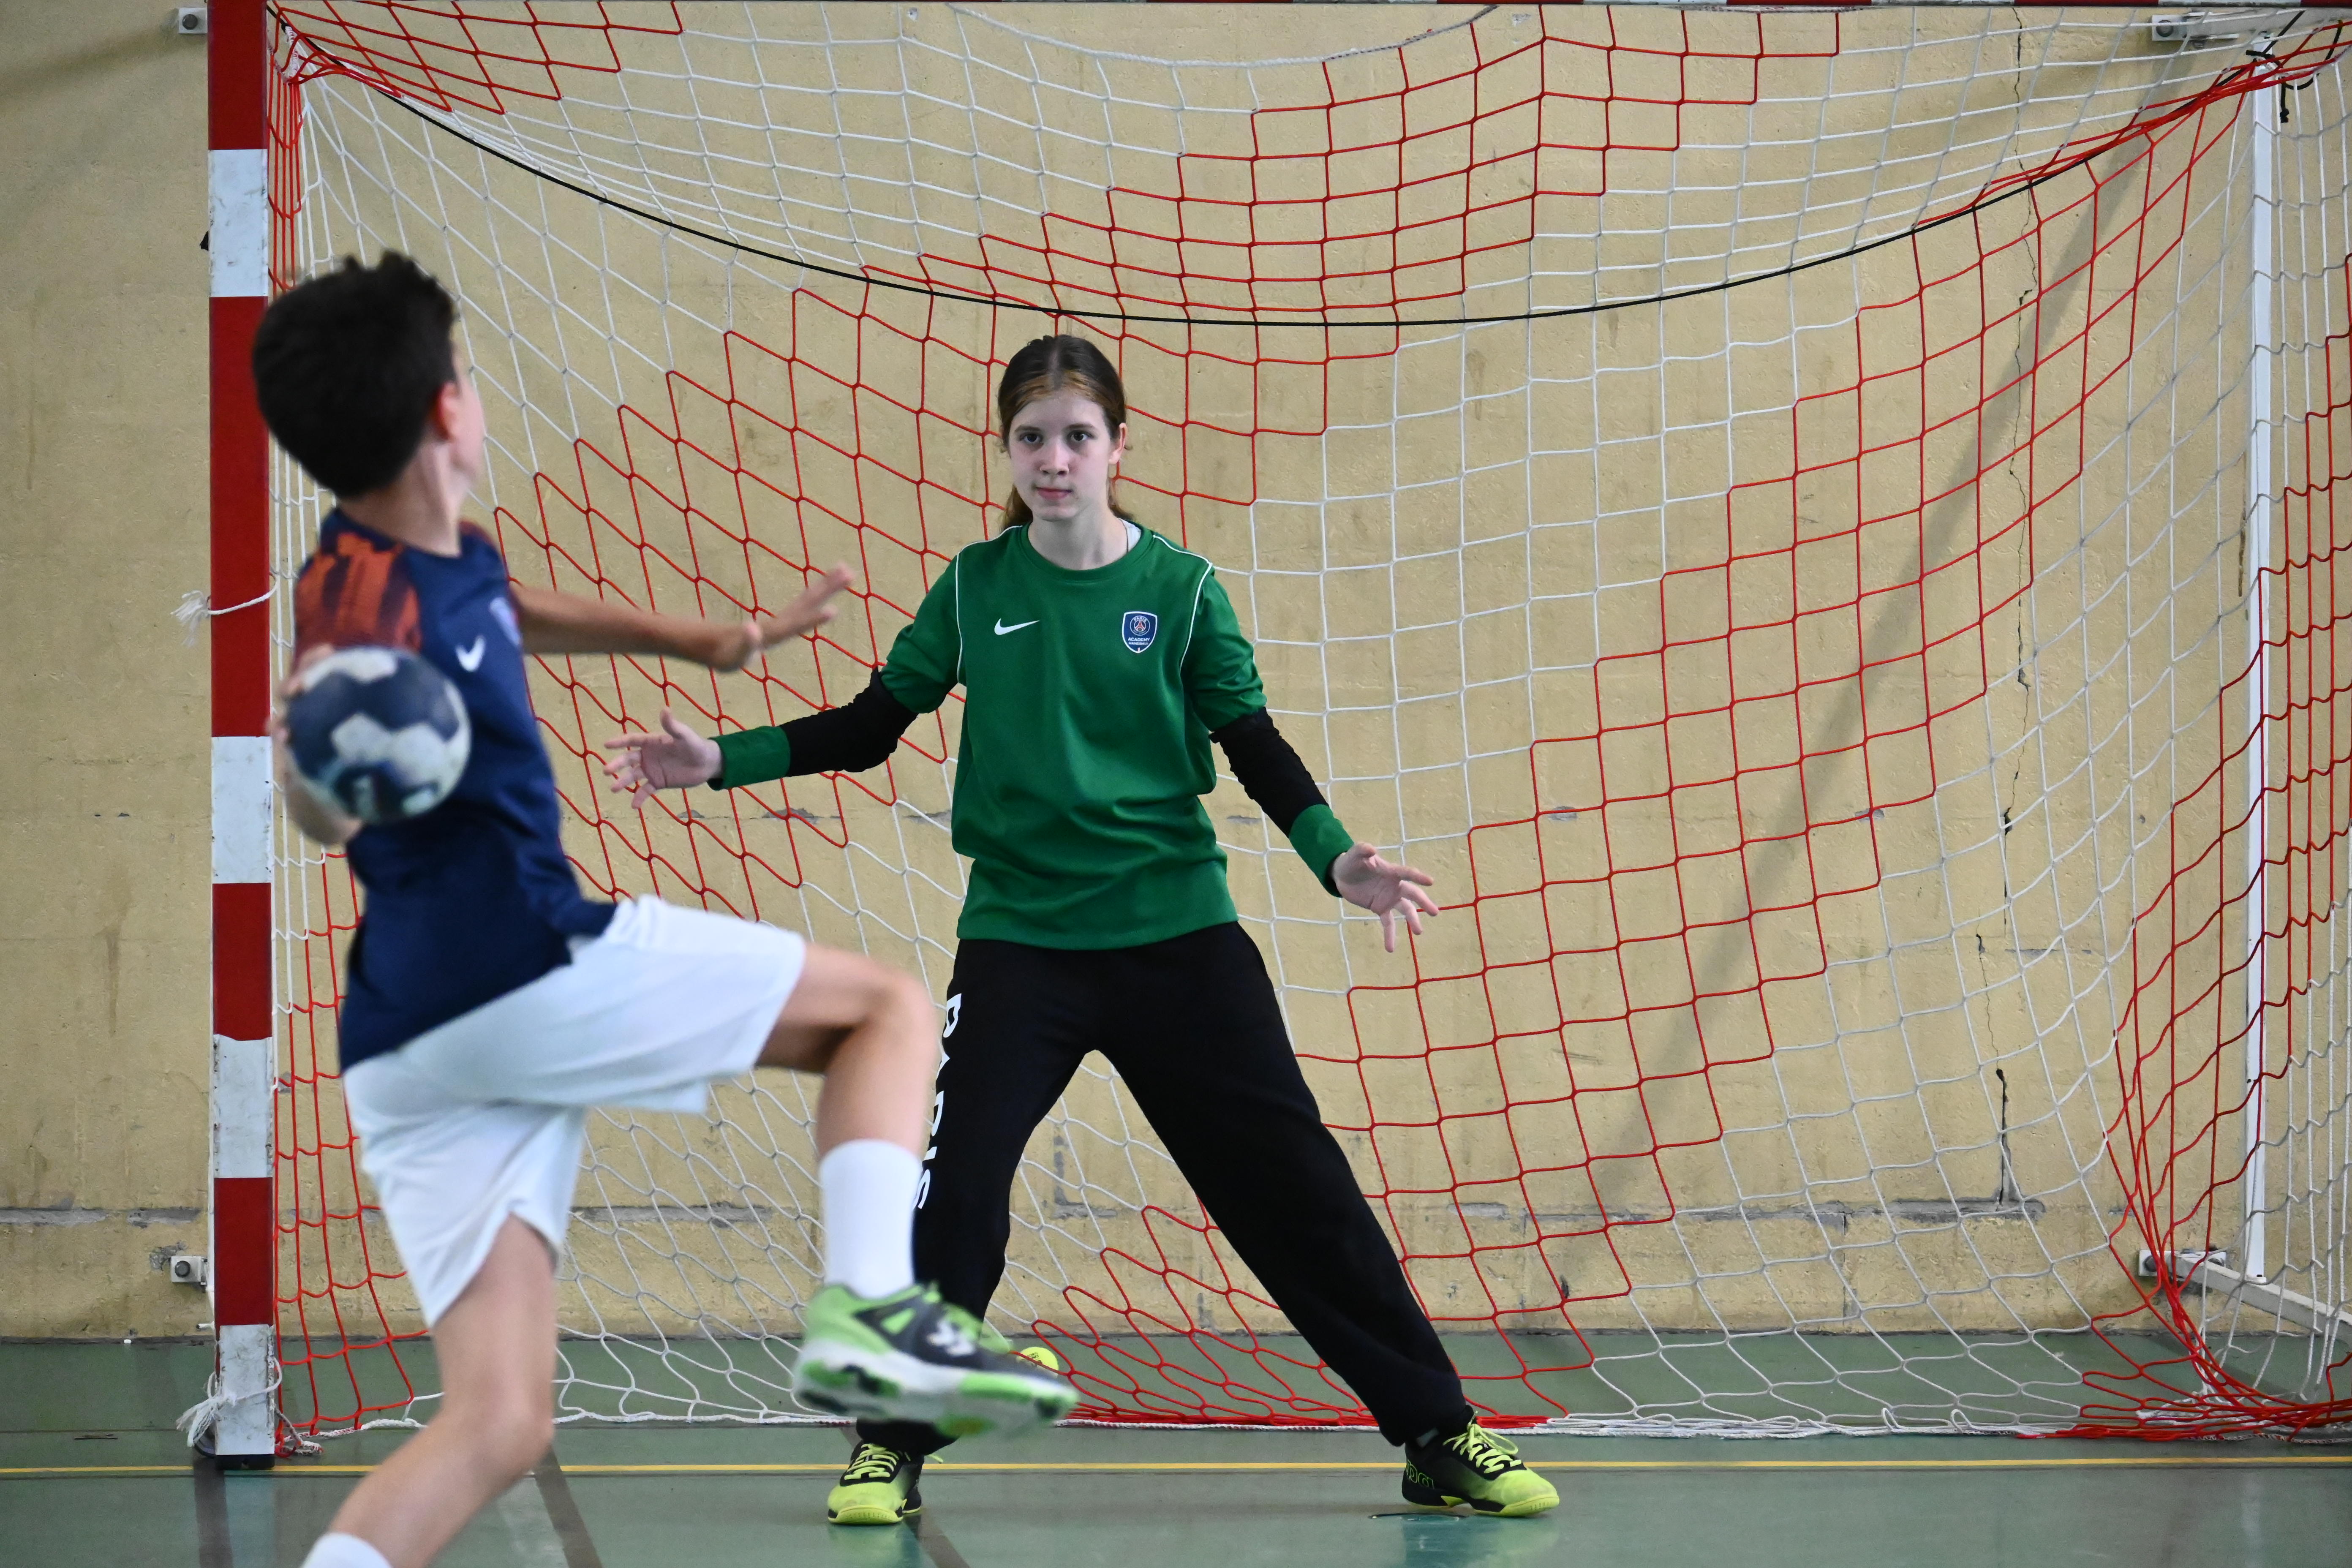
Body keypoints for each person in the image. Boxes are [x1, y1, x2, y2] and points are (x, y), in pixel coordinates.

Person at [603, 334, 1560, 1523]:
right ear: (1009, 450)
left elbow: (1254, 750)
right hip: (1023, 944)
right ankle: (890, 1446)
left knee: (1294, 1190)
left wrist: (1339, 861)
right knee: (953, 1191)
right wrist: (719, 760)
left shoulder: (1184, 590)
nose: (1055, 459)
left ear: (1119, 446)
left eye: (1078, 437)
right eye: (1032, 438)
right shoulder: (974, 586)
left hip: (1178, 940)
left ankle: (1437, 1432)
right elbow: (867, 725)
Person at [258, 254, 1071, 1568]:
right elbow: (319, 781)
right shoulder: (361, 617)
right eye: (465, 370)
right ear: (450, 414)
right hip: (517, 969)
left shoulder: (424, 547)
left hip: (410, 1045)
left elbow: (509, 614)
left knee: (500, 1419)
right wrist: (322, 783)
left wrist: (707, 639)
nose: (475, 386)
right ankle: (871, 1315)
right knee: (885, 1008)